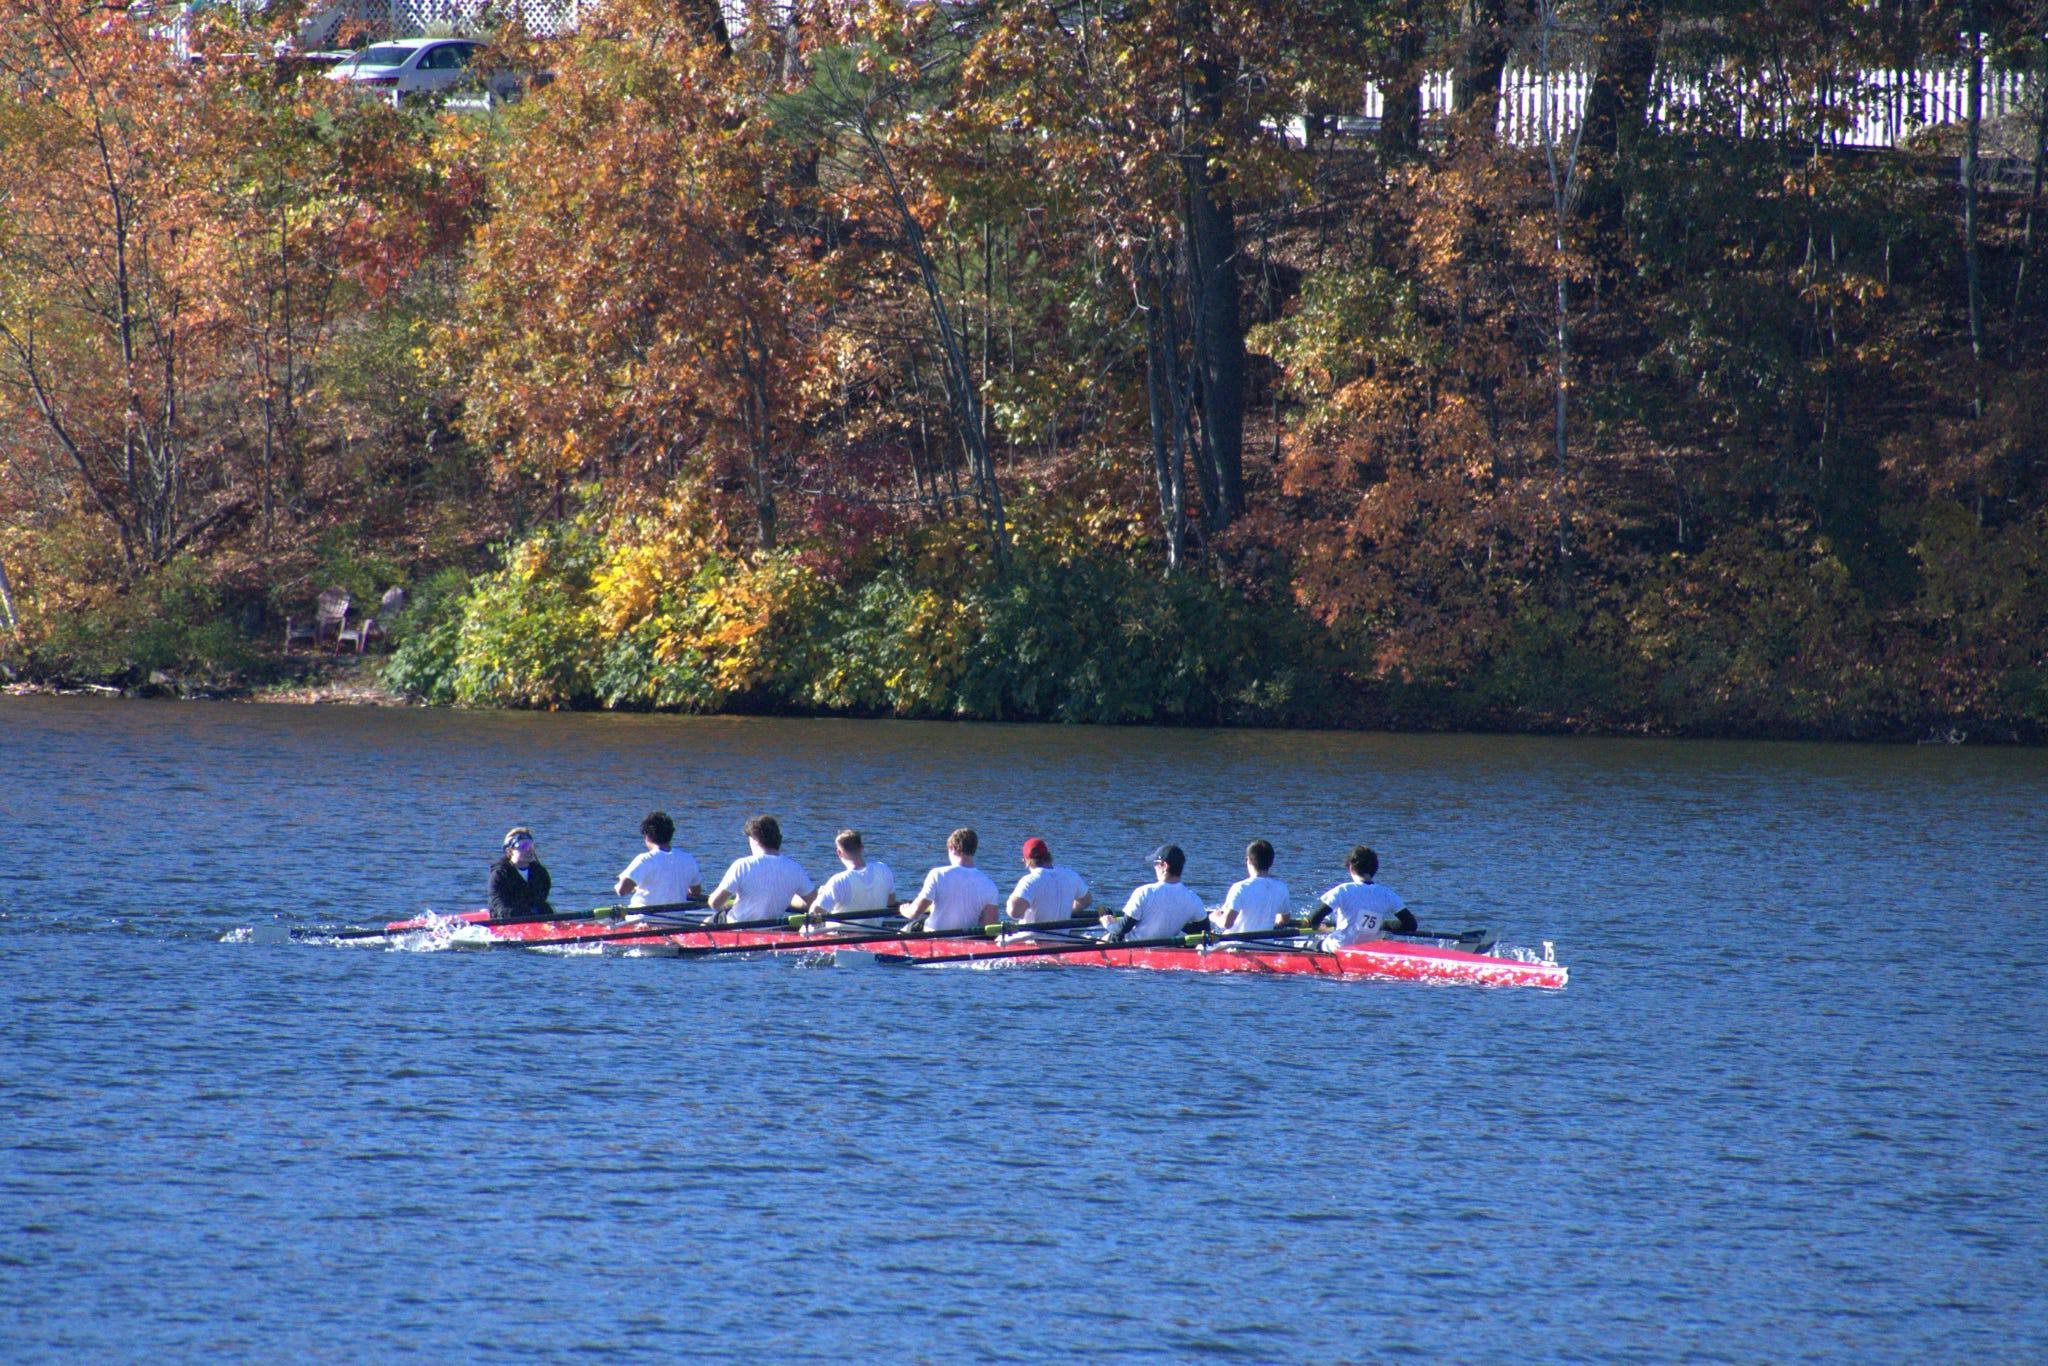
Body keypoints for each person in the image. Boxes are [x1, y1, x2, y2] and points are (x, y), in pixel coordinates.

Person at [708, 815, 815, 924]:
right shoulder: (795, 868)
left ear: (755, 839)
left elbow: (715, 903)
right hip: (772, 929)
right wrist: (787, 898)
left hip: (737, 927)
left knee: (708, 921)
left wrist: (726, 905)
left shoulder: (743, 865)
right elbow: (813, 904)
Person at [1305, 845, 1417, 945]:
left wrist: (1322, 928)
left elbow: (1314, 919)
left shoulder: (1343, 890)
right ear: (1375, 869)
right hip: (1368, 948)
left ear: (1350, 867)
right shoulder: (1387, 894)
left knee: (1308, 944)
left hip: (1340, 946)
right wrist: (1380, 925)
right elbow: (1410, 925)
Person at [1104, 844, 1208, 942]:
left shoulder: (1145, 892)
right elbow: (1205, 930)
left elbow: (1123, 928)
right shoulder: (1193, 898)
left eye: (1155, 864)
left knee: (1109, 936)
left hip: (1135, 947)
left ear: (1164, 865)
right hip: (1168, 948)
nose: (1154, 867)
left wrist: (1108, 924)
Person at [904, 828, 1001, 933]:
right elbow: (989, 926)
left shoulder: (938, 874)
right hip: (967, 941)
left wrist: (904, 910)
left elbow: (915, 913)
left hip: (933, 938)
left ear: (953, 848)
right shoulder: (990, 885)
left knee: (909, 927)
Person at [613, 810, 702, 909]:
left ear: (647, 835)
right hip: (677, 920)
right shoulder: (688, 859)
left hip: (641, 920)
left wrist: (619, 886)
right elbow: (695, 893)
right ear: (671, 834)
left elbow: (622, 891)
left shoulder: (645, 859)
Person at [809, 829, 894, 926]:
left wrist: (822, 894)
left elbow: (814, 915)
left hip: (841, 937)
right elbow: (890, 901)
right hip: (875, 932)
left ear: (839, 853)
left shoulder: (839, 880)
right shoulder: (883, 868)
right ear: (862, 847)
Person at [1006, 837, 1092, 925]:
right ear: (1049, 855)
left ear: (1025, 861)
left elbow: (1014, 912)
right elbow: (1086, 900)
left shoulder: (1030, 880)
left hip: (1031, 937)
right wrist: (1068, 910)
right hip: (1062, 937)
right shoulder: (1071, 875)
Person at [1216, 839, 1290, 933]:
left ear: (1248, 860)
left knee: (1200, 946)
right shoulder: (1281, 888)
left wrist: (1215, 917)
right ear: (1272, 862)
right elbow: (1284, 920)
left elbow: (1226, 924)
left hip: (1234, 945)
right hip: (1265, 944)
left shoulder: (1239, 888)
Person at [488, 826, 554, 918]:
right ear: (509, 851)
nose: (529, 850)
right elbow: (498, 904)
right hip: (508, 918)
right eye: (523, 846)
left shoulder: (540, 873)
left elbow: (541, 898)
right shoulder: (499, 874)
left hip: (533, 915)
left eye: (531, 846)